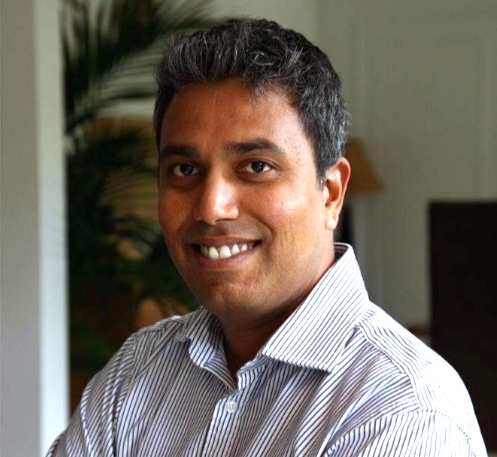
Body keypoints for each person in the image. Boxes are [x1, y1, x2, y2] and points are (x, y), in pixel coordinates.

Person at [47, 19, 486, 456]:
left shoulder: (402, 411)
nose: (211, 207)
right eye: (184, 170)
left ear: (332, 193)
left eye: (256, 166)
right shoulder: (136, 371)